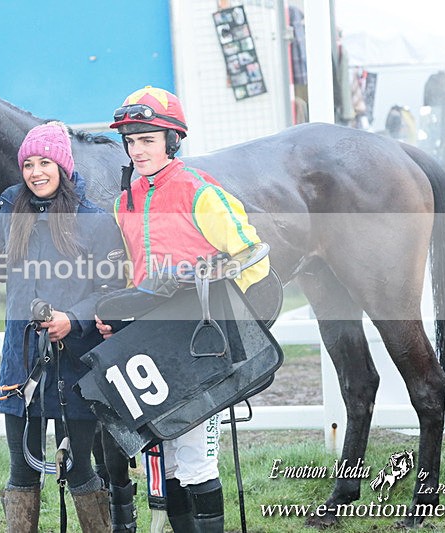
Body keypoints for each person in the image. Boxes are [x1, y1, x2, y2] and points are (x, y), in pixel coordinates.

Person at [96, 86, 270, 532]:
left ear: (172, 141)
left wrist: (242, 326)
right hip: (153, 344)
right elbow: (135, 274)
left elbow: (251, 255)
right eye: (131, 141)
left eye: (147, 140)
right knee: (167, 455)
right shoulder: (124, 203)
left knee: (194, 457)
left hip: (201, 344)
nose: (137, 150)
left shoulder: (200, 192)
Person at [0, 121, 126, 532]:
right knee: (22, 473)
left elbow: (112, 289)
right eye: (28, 164)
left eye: (45, 162)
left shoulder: (94, 220)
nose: (36, 172)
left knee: (79, 471)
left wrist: (71, 319)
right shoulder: (11, 214)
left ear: (62, 165)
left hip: (76, 364)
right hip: (22, 362)